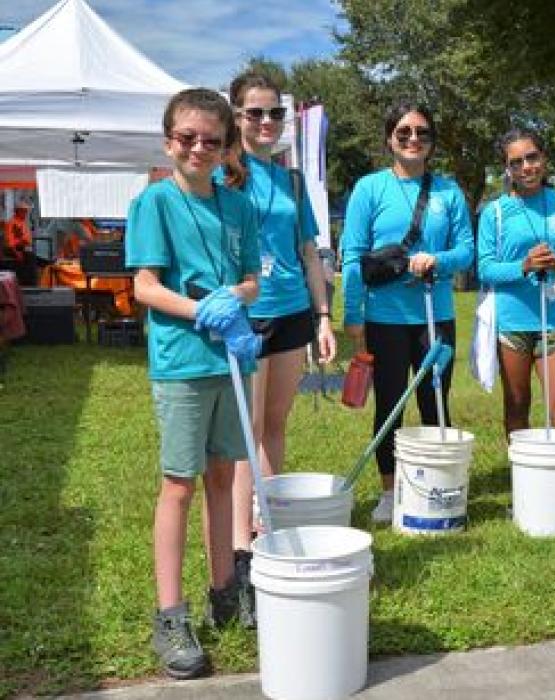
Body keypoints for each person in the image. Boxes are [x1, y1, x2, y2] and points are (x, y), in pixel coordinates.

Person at [125, 87, 262, 679]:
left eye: (211, 139)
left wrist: (235, 300)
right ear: (168, 141)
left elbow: (253, 278)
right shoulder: (154, 202)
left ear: (226, 144)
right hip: (183, 362)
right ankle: (170, 615)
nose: (199, 148)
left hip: (230, 362)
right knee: (178, 485)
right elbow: (145, 287)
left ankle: (225, 589)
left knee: (224, 478)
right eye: (187, 138)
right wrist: (200, 309)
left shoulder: (239, 206)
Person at [223, 71, 336, 621]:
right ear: (235, 116)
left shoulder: (292, 183)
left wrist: (322, 316)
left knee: (274, 424)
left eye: (273, 114)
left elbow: (309, 250)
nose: (265, 123)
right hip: (248, 316)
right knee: (245, 436)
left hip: (293, 312)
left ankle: (266, 524)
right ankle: (242, 548)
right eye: (254, 113)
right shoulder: (226, 173)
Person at [341, 101, 474, 523]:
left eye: (422, 133)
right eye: (404, 132)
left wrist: (437, 260)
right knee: (390, 406)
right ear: (389, 139)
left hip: (437, 317)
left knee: (436, 400)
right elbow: (353, 255)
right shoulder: (369, 188)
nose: (413, 139)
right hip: (385, 318)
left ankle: (438, 483)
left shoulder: (449, 191)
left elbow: (466, 251)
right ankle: (387, 489)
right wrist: (353, 313)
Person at [477, 128, 555, 437]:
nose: (526, 167)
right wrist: (523, 266)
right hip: (512, 324)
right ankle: (524, 482)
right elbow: (485, 269)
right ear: (507, 168)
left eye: (532, 157)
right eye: (516, 162)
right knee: (516, 407)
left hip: (554, 321)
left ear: (544, 158)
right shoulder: (494, 212)